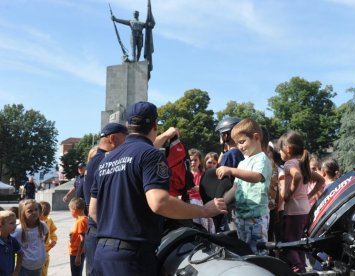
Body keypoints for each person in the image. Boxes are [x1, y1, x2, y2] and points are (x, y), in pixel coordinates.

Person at [89, 101, 226, 275]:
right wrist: (205, 211)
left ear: (128, 126)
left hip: (101, 254)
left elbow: (93, 209)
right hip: (132, 258)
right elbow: (159, 203)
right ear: (155, 125)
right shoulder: (150, 154)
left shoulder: (107, 159)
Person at [218, 118, 272, 255]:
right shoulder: (242, 163)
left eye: (242, 142)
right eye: (237, 143)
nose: (240, 147)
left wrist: (230, 170)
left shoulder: (262, 159)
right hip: (241, 217)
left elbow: (256, 176)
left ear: (256, 137)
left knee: (258, 252)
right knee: (245, 252)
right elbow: (236, 187)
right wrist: (222, 202)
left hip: (256, 217)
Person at [83, 122, 128, 275]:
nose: (127, 147)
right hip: (101, 230)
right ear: (113, 139)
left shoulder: (95, 160)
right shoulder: (104, 160)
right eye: (125, 141)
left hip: (96, 230)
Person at [278, 130, 325, 272]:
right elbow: (321, 180)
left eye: (280, 150)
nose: (279, 153)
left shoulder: (289, 164)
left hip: (293, 210)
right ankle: (302, 266)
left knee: (289, 242)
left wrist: (288, 194)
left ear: (288, 149)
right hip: (304, 209)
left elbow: (297, 176)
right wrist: (308, 196)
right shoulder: (302, 163)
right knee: (299, 241)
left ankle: (298, 268)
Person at [215, 117, 244, 231]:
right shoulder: (240, 154)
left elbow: (222, 182)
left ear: (226, 135)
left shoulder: (229, 155)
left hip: (230, 203)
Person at [13, 199, 48, 276]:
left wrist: (42, 246)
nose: (34, 212)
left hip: (38, 266)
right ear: (23, 214)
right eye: (30, 211)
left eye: (36, 209)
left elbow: (47, 233)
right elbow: (12, 242)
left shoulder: (42, 225)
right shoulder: (20, 230)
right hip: (25, 266)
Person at [69, 197, 88, 276]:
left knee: (76, 274)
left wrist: (78, 256)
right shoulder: (84, 219)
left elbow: (82, 239)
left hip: (76, 253)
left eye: (70, 210)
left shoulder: (80, 221)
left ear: (75, 209)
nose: (70, 212)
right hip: (77, 252)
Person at [0, 210, 23, 276]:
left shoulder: (13, 241)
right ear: (0, 225)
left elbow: (20, 254)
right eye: (11, 223)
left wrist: (17, 271)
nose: (15, 225)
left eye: (15, 222)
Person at [39, 201, 57, 276]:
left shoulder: (49, 220)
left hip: (46, 252)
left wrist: (54, 240)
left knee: (44, 272)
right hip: (36, 252)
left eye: (46, 215)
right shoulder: (34, 222)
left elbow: (52, 232)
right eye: (43, 215)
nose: (45, 217)